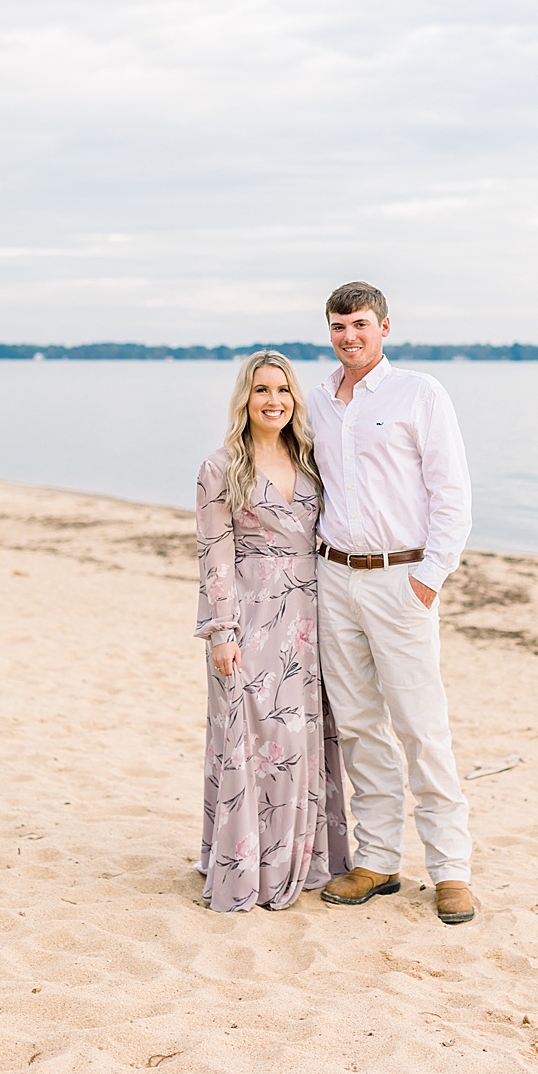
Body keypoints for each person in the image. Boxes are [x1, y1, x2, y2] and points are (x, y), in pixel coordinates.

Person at [308, 281, 478, 925]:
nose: (348, 337)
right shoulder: (317, 400)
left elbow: (451, 493)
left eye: (358, 324)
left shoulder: (420, 393)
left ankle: (451, 872)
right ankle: (378, 860)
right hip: (333, 579)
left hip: (400, 579)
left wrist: (430, 577)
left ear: (384, 327)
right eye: (337, 326)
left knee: (421, 725)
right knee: (356, 724)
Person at [194, 350, 351, 911]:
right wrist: (221, 632)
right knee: (256, 738)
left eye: (283, 390)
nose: (274, 401)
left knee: (303, 742)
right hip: (251, 619)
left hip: (313, 617)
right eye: (262, 390)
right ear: (246, 398)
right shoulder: (221, 467)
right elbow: (212, 553)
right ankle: (246, 863)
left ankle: (299, 859)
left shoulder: (312, 460)